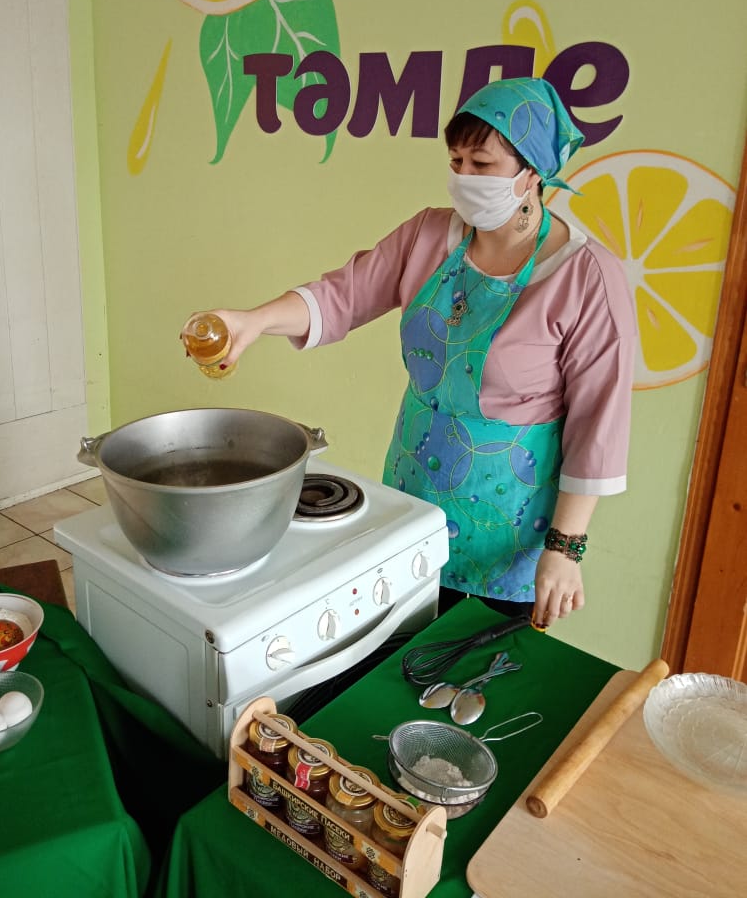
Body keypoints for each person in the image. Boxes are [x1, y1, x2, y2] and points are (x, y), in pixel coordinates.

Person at [185, 77, 636, 628]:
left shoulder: (587, 278)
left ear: (533, 172)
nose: (464, 177)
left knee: (480, 663)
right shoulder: (428, 236)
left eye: (482, 164)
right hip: (413, 492)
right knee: (394, 646)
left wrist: (566, 550)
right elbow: (341, 296)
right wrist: (253, 321)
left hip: (512, 524)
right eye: (456, 161)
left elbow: (598, 425)